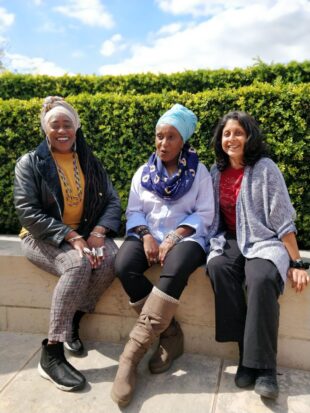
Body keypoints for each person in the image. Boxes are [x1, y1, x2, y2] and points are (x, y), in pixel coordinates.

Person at [14, 96, 121, 392]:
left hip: (86, 233)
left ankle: (72, 319)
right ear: (45, 130)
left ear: (76, 128)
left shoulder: (89, 161)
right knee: (77, 265)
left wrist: (98, 232)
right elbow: (28, 212)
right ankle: (52, 353)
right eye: (55, 125)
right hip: (43, 236)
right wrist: (70, 237)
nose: (62, 131)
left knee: (111, 259)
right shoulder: (30, 163)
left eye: (67, 125)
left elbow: (112, 200)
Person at [111, 103, 214, 407]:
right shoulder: (143, 173)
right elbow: (134, 211)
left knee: (176, 265)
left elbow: (205, 214)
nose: (163, 144)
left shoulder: (199, 172)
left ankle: (131, 355)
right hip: (147, 234)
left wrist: (171, 238)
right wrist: (144, 236)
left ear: (183, 141)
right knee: (124, 265)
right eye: (159, 136)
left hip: (188, 237)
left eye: (171, 137)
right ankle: (170, 335)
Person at [206, 111, 309, 400]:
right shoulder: (216, 171)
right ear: (220, 139)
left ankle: (264, 368)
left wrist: (295, 260)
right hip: (229, 238)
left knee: (262, 278)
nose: (231, 139)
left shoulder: (265, 168)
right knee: (218, 268)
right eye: (227, 134)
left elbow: (283, 219)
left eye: (238, 132)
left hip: (264, 240)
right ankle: (245, 354)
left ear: (249, 136)